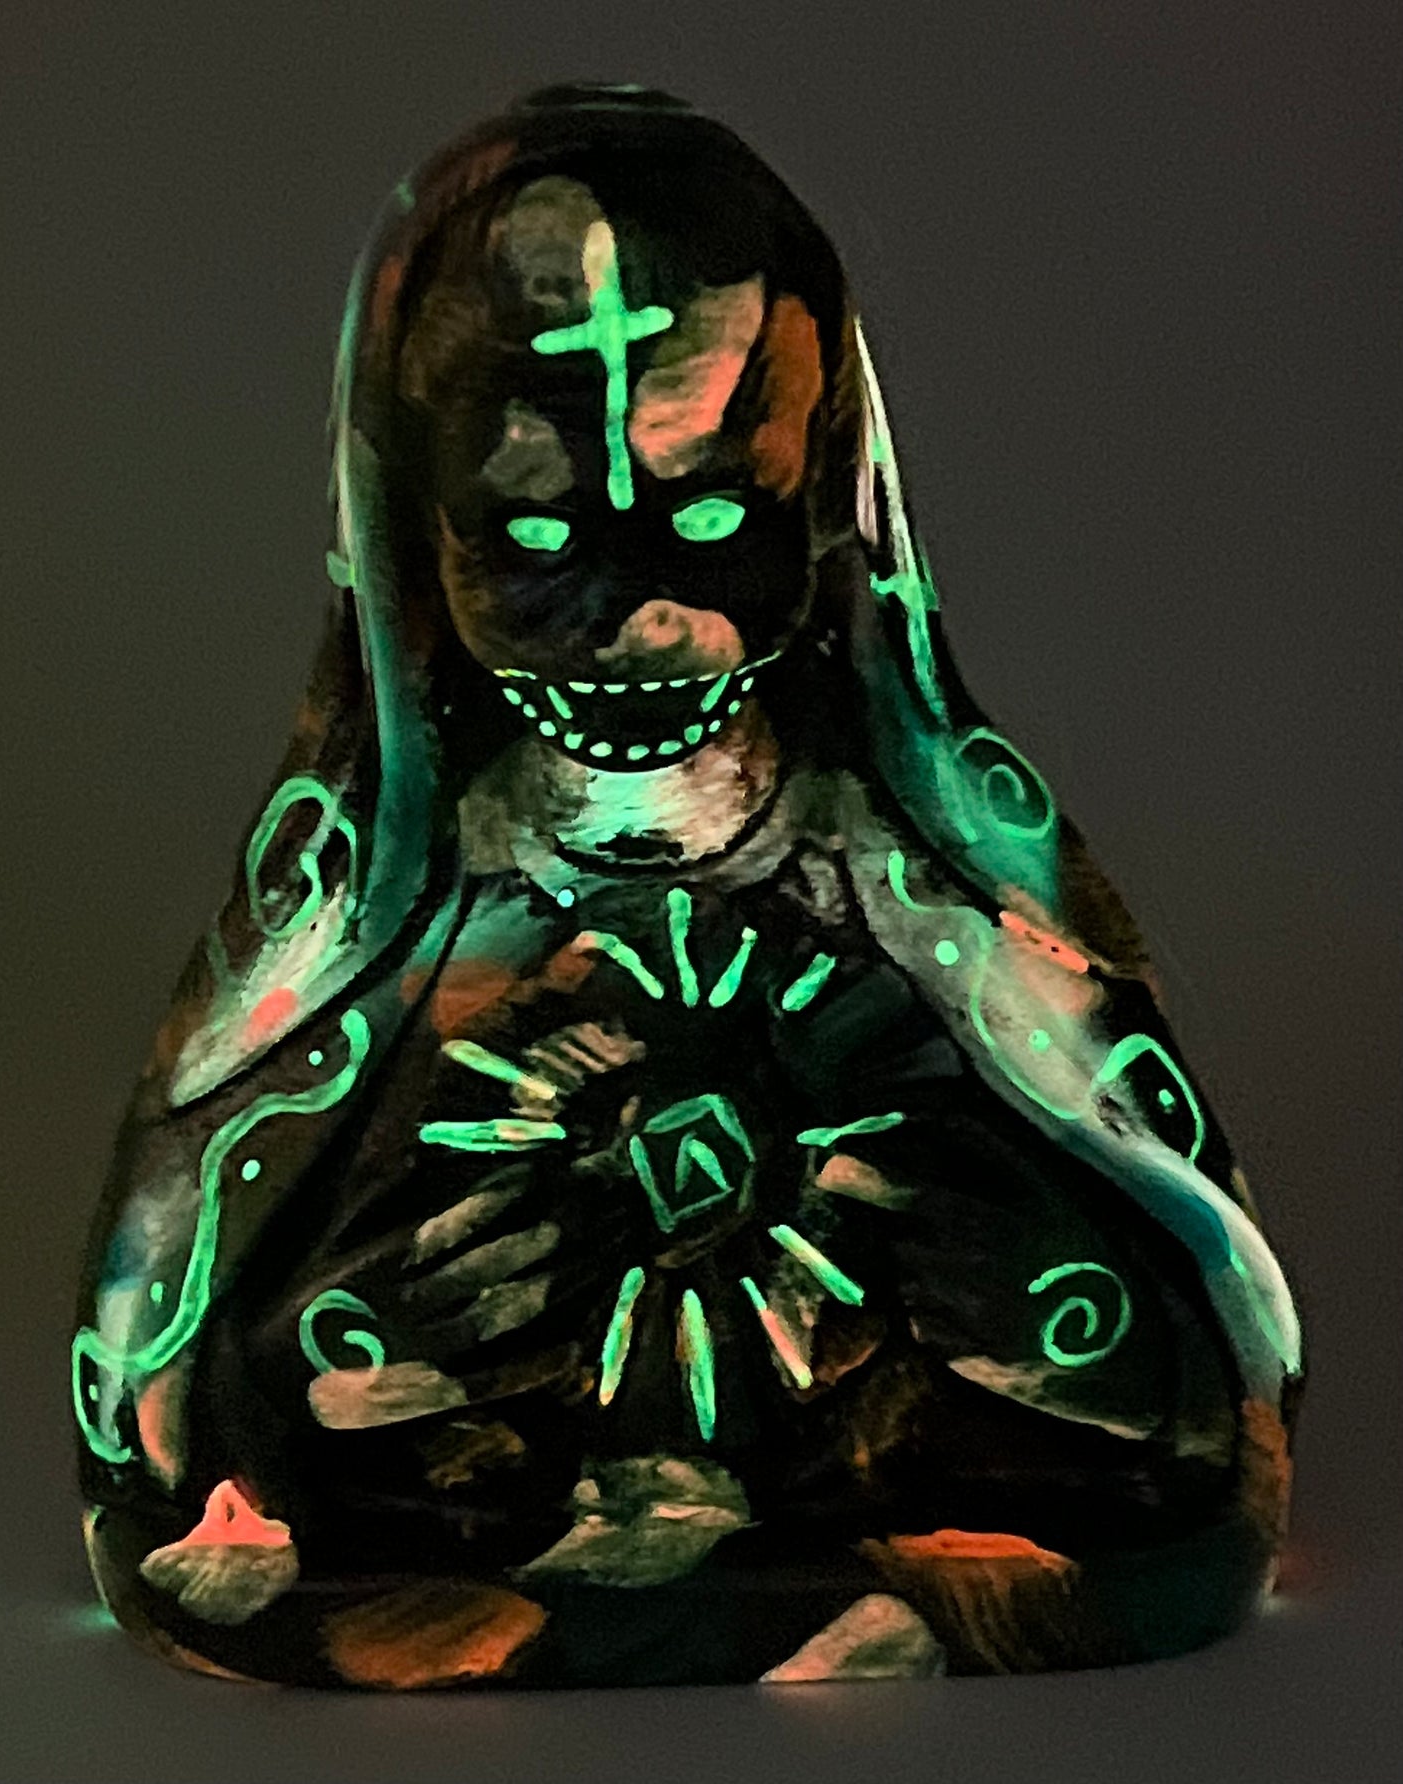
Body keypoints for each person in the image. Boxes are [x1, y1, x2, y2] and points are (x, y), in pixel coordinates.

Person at [74, 83, 1303, 1688]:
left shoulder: (925, 895)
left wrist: (1044, 1316)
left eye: (716, 516)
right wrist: (348, 1358)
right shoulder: (378, 933)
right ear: (411, 532)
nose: (638, 621)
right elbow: (161, 1440)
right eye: (530, 541)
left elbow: (1211, 1397)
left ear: (825, 495)